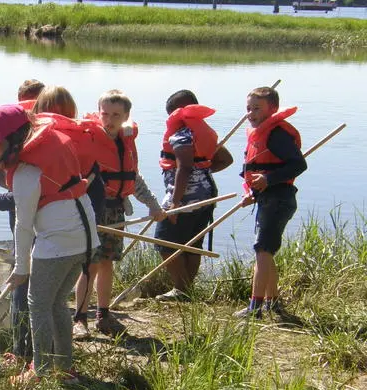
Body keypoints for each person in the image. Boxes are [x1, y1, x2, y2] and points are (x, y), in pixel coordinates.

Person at [0, 104, 99, 382]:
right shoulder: (56, 141)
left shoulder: (26, 172)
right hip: (86, 238)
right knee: (56, 303)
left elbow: (23, 224)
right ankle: (64, 368)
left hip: (58, 242)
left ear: (14, 138)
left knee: (38, 304)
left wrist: (21, 268)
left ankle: (40, 371)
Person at [73, 90, 165, 338]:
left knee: (106, 264)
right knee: (88, 265)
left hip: (115, 210)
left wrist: (153, 205)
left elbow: (132, 177)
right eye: (105, 113)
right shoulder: (90, 139)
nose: (109, 119)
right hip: (93, 211)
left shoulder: (125, 142)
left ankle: (104, 314)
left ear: (126, 116)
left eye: (116, 115)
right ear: (98, 111)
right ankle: (80, 318)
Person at [153, 90, 233, 301]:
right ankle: (186, 291)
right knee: (192, 242)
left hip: (186, 198)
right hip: (207, 194)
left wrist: (175, 202)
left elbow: (185, 168)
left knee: (164, 241)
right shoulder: (202, 132)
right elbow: (225, 160)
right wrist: (203, 171)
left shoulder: (180, 134)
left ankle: (181, 289)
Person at [235, 86, 306, 319]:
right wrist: (252, 193)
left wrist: (268, 178)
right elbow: (258, 170)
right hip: (267, 198)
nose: (251, 113)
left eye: (257, 108)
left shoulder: (276, 134)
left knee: (262, 250)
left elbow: (298, 165)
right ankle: (272, 302)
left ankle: (254, 308)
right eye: (248, 108)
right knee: (264, 252)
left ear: (272, 109)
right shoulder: (260, 134)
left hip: (279, 199)